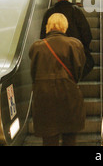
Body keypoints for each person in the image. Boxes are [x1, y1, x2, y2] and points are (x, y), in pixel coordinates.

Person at [29, 13, 86, 146]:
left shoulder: (37, 47)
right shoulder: (75, 44)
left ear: (48, 26)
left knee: (49, 140)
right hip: (69, 97)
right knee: (70, 139)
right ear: (65, 26)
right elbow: (78, 73)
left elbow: (34, 74)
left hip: (44, 99)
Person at [40, 0, 94, 78]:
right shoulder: (76, 11)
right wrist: (84, 48)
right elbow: (86, 32)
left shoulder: (49, 13)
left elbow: (43, 34)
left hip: (54, 53)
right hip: (74, 53)